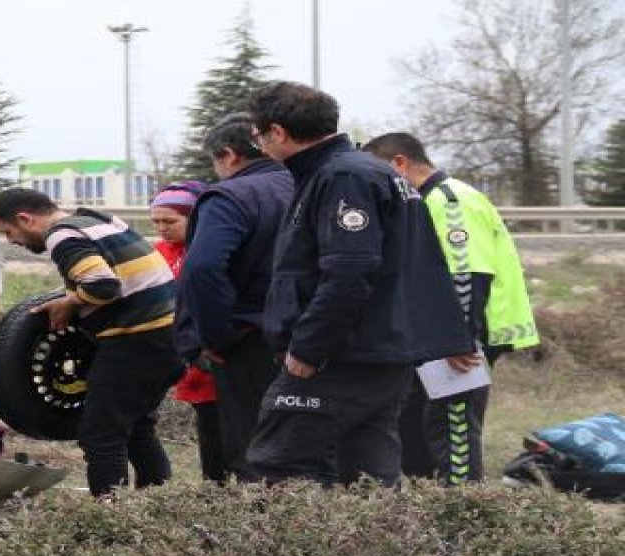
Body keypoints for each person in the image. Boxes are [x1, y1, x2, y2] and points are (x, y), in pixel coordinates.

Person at [242, 81, 474, 487]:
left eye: (258, 136)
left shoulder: (343, 177)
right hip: (379, 350)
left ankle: (276, 552)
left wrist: (309, 347)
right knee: (368, 474)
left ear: (277, 132)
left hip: (343, 354)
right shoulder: (362, 173)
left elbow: (349, 272)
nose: (260, 146)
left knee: (278, 464)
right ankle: (380, 549)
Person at [363, 132, 539, 485]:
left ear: (399, 162)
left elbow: (467, 275)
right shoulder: (423, 200)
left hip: (460, 340)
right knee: (420, 427)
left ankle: (464, 515)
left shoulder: (450, 200)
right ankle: (428, 513)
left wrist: (457, 340)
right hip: (433, 336)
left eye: (378, 170)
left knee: (452, 430)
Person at [0, 188, 181, 497]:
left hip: (135, 339)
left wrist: (71, 302)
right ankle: (157, 505)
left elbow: (103, 286)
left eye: (8, 231)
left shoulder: (61, 237)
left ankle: (108, 521)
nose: (11, 241)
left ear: (26, 219)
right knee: (136, 429)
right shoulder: (94, 219)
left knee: (100, 433)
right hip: (167, 334)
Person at [176, 113, 294, 482]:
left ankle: (262, 533)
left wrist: (215, 336)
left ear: (229, 155)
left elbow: (202, 268)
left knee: (253, 450)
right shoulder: (311, 184)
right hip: (314, 335)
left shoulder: (231, 195)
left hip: (249, 342)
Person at [148, 182, 223, 482]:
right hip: (179, 353)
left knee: (222, 427)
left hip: (209, 350)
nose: (162, 228)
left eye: (170, 221)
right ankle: (213, 485)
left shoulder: (208, 249)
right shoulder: (156, 253)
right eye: (156, 222)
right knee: (207, 425)